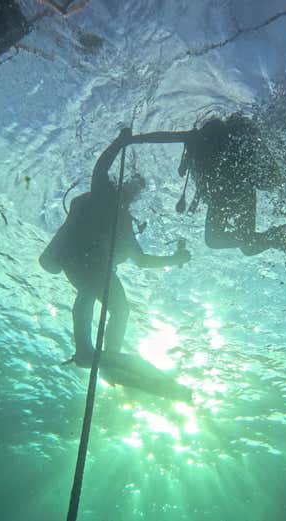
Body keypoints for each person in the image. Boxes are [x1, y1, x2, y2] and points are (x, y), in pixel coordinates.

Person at [39, 128, 192, 368]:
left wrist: (175, 258)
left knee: (121, 310)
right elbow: (100, 168)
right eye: (131, 189)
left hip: (95, 269)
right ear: (122, 187)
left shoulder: (125, 224)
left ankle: (111, 356)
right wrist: (119, 143)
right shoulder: (103, 194)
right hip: (71, 256)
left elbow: (141, 260)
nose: (131, 195)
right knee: (89, 290)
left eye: (135, 193)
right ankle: (84, 349)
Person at [128, 113, 286, 256]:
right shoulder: (208, 139)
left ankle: (280, 235)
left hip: (225, 196)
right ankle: (280, 235)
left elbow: (164, 137)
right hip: (239, 193)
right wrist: (132, 140)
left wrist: (132, 140)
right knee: (247, 247)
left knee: (221, 241)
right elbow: (165, 137)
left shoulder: (196, 137)